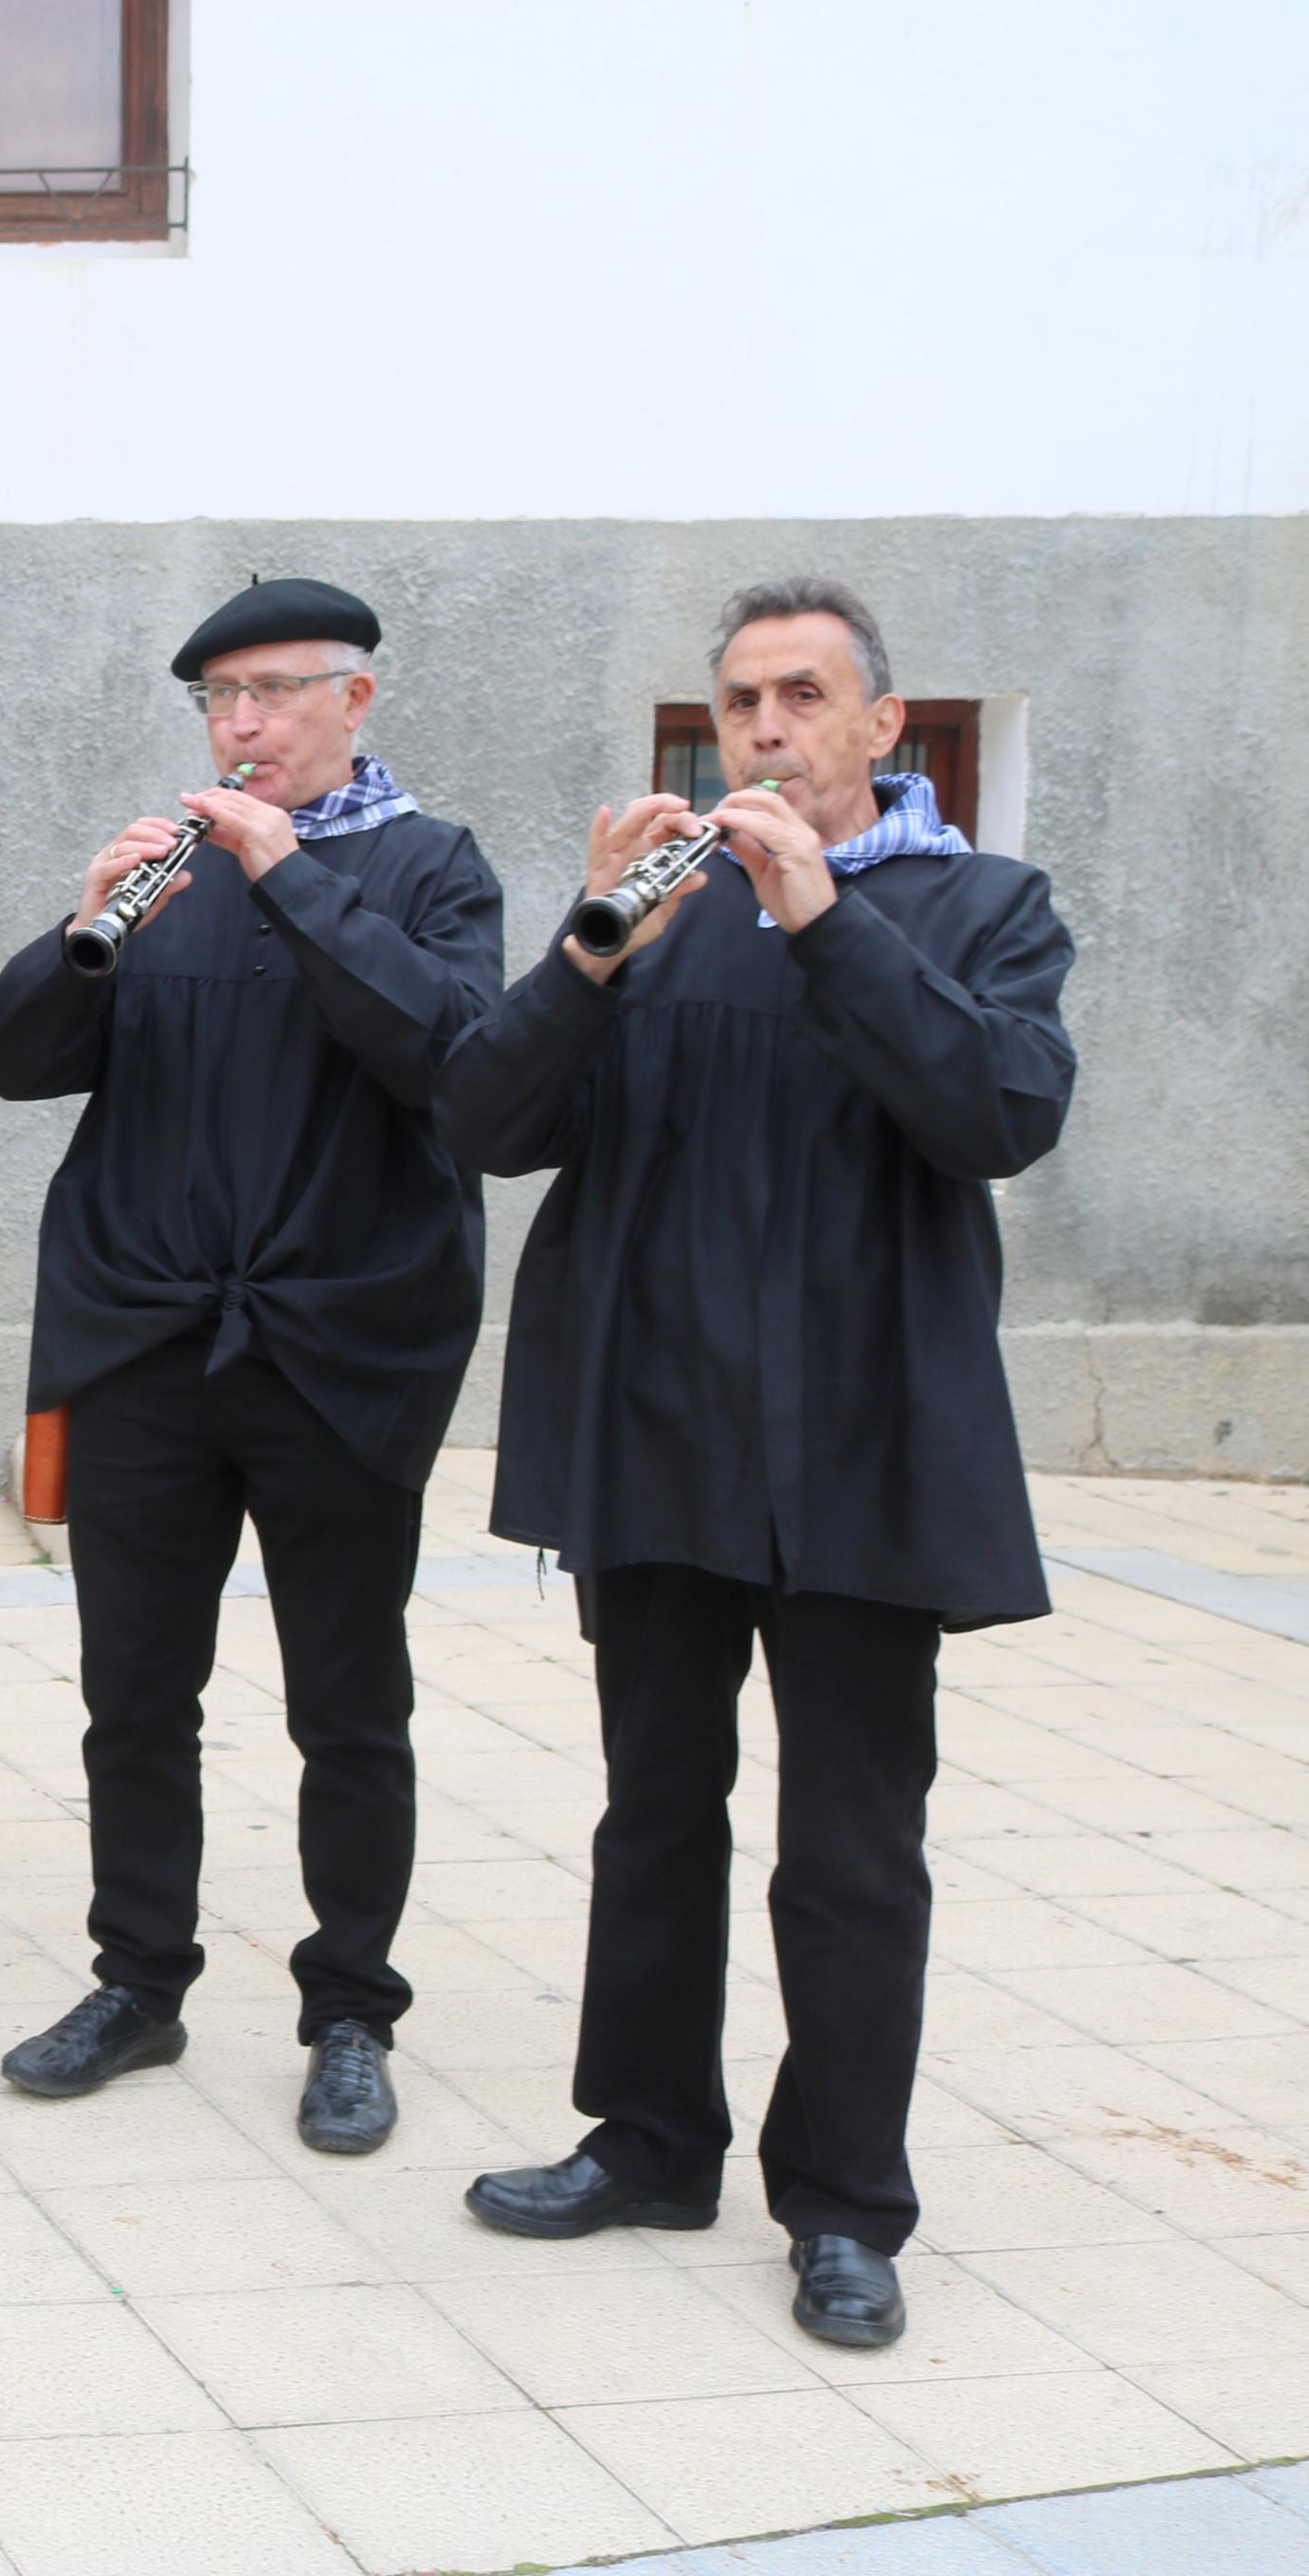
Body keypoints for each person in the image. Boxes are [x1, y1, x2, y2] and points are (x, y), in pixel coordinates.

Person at [441, 577, 1075, 2351]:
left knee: (851, 1848)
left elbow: (994, 1113)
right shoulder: (652, 915)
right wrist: (582, 946)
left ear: (884, 726)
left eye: (803, 696)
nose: (765, 729)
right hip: (657, 1432)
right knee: (652, 1813)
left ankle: (844, 2209)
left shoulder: (981, 906)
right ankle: (643, 2142)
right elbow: (480, 1128)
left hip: (868, 1441)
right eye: (737, 702)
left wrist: (821, 920)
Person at [0, 577, 503, 2153]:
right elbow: (12, 1063)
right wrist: (82, 930)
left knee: (345, 1705)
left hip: (337, 1353)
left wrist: (291, 881)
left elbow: (453, 1058)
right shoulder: (166, 874)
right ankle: (135, 1982)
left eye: (274, 692)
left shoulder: (426, 869)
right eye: (218, 700)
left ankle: (347, 2012)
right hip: (148, 1345)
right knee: (132, 1694)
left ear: (355, 702)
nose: (242, 724)